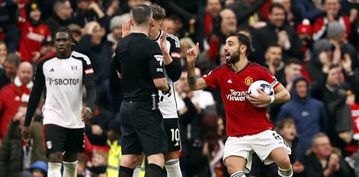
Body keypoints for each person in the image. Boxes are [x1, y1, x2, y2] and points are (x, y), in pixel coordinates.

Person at [185, 32, 292, 177]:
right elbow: (193, 85)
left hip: (261, 131)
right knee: (233, 169)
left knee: (284, 160)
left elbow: (285, 94)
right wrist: (191, 64)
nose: (225, 48)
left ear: (242, 49)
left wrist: (268, 99)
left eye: (230, 44)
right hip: (236, 135)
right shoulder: (220, 72)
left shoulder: (258, 71)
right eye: (225, 44)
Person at [22, 26, 96, 177]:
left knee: (70, 160)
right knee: (55, 157)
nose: (61, 43)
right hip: (53, 116)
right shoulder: (44, 63)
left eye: (64, 40)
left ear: (71, 42)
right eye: (58, 40)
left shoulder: (83, 60)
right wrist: (27, 122)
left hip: (75, 118)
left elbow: (91, 87)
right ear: (54, 43)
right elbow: (35, 94)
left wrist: (89, 107)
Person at [111, 4, 171, 177]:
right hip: (145, 106)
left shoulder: (121, 45)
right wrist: (166, 88)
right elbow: (159, 82)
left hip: (126, 107)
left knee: (129, 158)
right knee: (156, 158)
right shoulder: (151, 46)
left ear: (130, 21)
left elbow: (120, 74)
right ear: (151, 21)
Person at [132, 4, 183, 177]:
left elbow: (175, 75)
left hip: (167, 108)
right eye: (148, 24)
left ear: (161, 24)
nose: (150, 28)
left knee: (171, 158)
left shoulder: (172, 41)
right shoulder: (137, 41)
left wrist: (165, 54)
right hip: (142, 106)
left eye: (153, 24)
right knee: (136, 157)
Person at [0, 61, 33, 141]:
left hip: (29, 141)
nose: (26, 75)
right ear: (18, 72)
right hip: (7, 139)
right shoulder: (6, 91)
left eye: (28, 72)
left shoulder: (37, 93)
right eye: (23, 72)